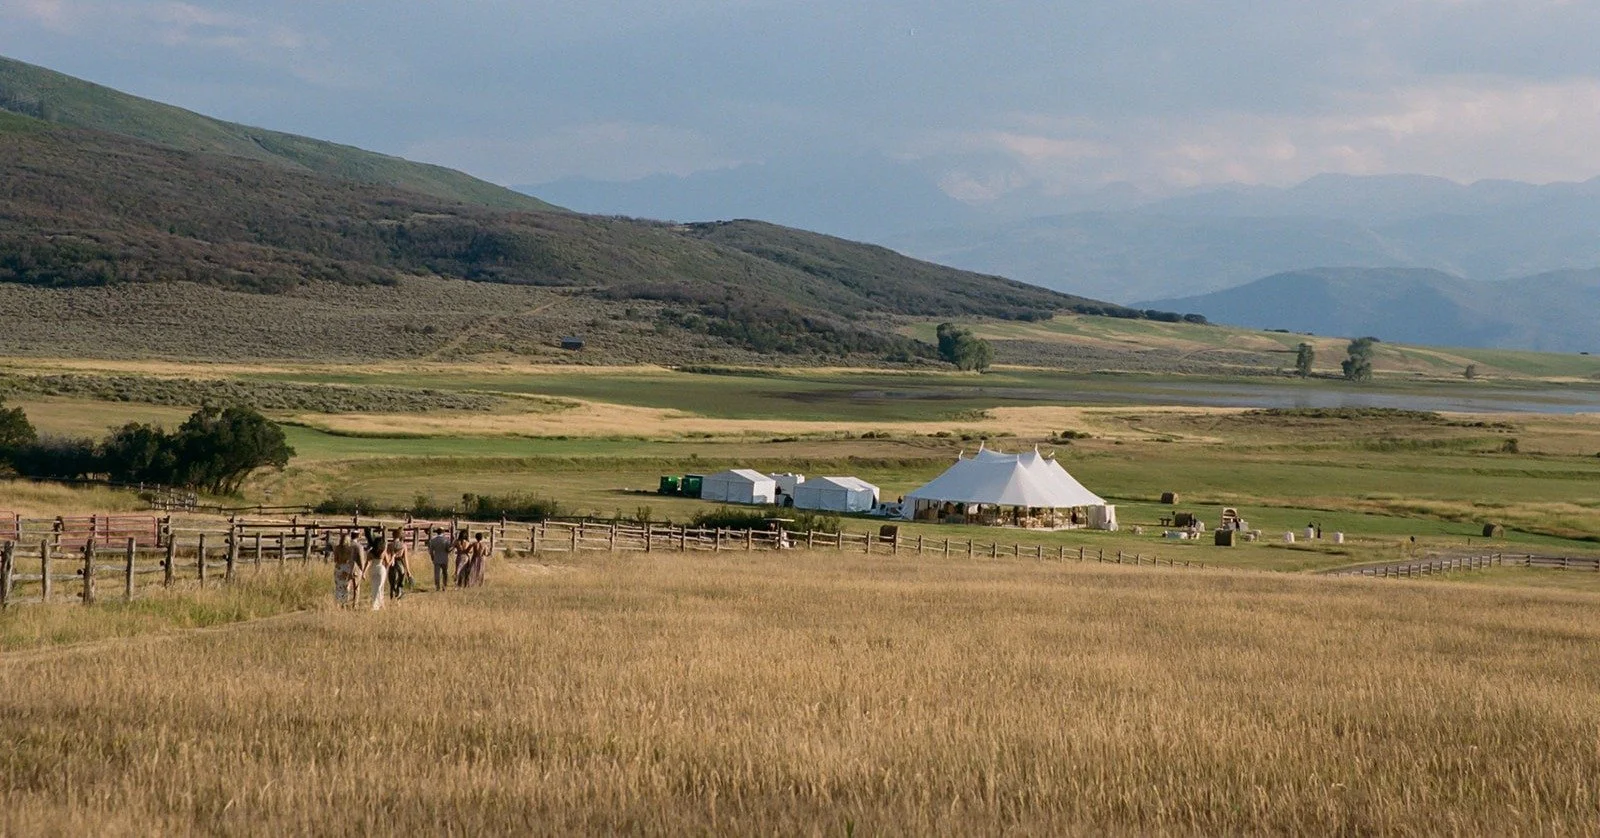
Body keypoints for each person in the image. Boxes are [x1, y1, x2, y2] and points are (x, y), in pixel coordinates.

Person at [331, 530, 365, 608]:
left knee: (339, 587)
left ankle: (339, 603)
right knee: (349, 587)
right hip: (347, 568)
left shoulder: (337, 548)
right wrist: (362, 569)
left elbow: (335, 559)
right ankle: (350, 604)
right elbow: (354, 560)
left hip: (338, 567)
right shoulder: (351, 548)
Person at [385, 527, 411, 600]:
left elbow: (387, 556)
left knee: (392, 582)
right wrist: (408, 571)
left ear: (393, 535)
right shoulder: (403, 546)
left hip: (392, 564)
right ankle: (399, 597)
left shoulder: (390, 545)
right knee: (400, 581)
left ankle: (392, 596)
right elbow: (405, 559)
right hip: (400, 563)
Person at [426, 527, 453, 591]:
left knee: (437, 573)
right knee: (445, 573)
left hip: (436, 558)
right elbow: (448, 549)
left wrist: (432, 557)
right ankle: (444, 586)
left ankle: (437, 587)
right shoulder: (446, 540)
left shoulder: (433, 540)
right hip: (444, 558)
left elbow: (431, 551)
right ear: (443, 532)